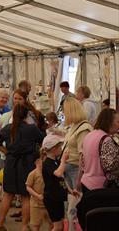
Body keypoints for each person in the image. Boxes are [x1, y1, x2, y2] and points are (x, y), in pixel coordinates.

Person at [0, 104, 45, 231]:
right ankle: (24, 226)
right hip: (27, 163)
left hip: (11, 163)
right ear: (26, 115)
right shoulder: (32, 129)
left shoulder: (8, 128)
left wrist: (6, 151)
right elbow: (43, 141)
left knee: (7, 195)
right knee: (25, 196)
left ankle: (0, 224)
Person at [61, 97, 92, 229]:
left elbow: (83, 156)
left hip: (75, 170)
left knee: (76, 205)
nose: (63, 114)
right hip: (69, 169)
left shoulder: (84, 128)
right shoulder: (74, 125)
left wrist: (79, 179)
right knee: (71, 205)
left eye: (64, 111)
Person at [80, 108, 119, 192]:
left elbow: (82, 162)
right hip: (100, 186)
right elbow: (110, 166)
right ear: (109, 122)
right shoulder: (106, 139)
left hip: (86, 182)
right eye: (118, 122)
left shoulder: (89, 135)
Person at [41, 134, 69, 231]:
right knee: (58, 226)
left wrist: (69, 190)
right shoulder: (48, 163)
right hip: (52, 199)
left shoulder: (55, 162)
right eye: (60, 147)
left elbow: (61, 180)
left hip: (57, 197)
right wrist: (63, 161)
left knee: (60, 225)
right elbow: (58, 174)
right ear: (53, 149)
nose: (61, 149)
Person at [26, 153, 52, 231]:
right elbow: (28, 187)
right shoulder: (33, 174)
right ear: (37, 162)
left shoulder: (49, 173)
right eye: (44, 161)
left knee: (52, 223)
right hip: (36, 205)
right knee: (35, 225)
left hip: (48, 204)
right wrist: (37, 195)